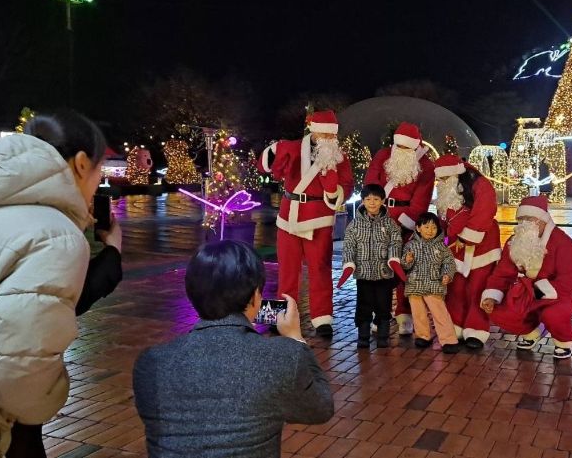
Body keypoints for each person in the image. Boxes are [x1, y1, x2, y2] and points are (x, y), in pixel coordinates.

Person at [0, 111, 107, 457]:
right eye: (100, 173)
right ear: (83, 164)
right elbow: (15, 367)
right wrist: (50, 395)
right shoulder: (55, 237)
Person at [133, 240, 334, 458]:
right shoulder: (282, 357)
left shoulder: (150, 364)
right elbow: (321, 408)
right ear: (256, 296)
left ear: (192, 293)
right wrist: (296, 339)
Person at [6, 210, 125, 458]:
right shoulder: (46, 226)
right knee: (21, 432)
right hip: (9, 361)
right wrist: (113, 249)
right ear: (81, 169)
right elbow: (65, 295)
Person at [257, 110, 354, 337]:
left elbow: (347, 185)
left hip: (319, 218)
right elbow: (265, 166)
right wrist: (272, 152)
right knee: (287, 270)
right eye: (322, 133)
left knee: (320, 268)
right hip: (288, 215)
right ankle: (279, 316)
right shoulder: (290, 147)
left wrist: (336, 191)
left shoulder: (340, 157)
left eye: (330, 135)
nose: (326, 139)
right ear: (313, 130)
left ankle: (322, 319)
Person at [480, 195, 572, 360]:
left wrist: (533, 292)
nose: (524, 224)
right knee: (497, 309)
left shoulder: (564, 244)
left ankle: (564, 341)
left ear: (543, 221)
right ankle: (532, 330)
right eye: (521, 219)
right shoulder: (514, 243)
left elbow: (567, 283)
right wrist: (492, 297)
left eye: (530, 219)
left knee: (552, 314)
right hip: (528, 292)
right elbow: (502, 274)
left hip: (560, 295)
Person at [363, 122, 436, 335]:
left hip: (406, 224)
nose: (402, 152)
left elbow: (421, 200)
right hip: (380, 216)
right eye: (400, 147)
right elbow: (371, 183)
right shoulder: (383, 156)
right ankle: (380, 313)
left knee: (406, 270)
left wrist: (405, 224)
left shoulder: (426, 166)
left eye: (407, 149)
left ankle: (406, 314)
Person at [432, 154, 502, 349]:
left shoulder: (480, 185)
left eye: (445, 178)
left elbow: (485, 211)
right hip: (455, 247)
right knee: (456, 288)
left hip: (482, 247)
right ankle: (455, 325)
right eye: (440, 179)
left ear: (455, 175)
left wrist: (466, 238)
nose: (442, 182)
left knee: (477, 288)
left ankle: (476, 330)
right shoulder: (447, 191)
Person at [338, 184, 405, 349]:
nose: (372, 203)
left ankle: (383, 335)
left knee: (384, 305)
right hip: (363, 274)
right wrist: (349, 264)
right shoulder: (354, 225)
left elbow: (395, 243)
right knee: (363, 305)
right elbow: (349, 246)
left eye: (376, 199)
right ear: (363, 201)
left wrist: (393, 260)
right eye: (368, 199)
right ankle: (363, 336)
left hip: (384, 274)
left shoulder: (390, 225)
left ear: (383, 201)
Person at [401, 212, 460, 354]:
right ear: (418, 228)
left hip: (434, 284)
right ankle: (423, 336)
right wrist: (406, 261)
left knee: (440, 313)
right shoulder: (410, 246)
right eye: (426, 227)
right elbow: (404, 265)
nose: (430, 230)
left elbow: (449, 263)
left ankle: (448, 339)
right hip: (415, 284)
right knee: (418, 313)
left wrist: (447, 275)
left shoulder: (441, 247)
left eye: (433, 227)